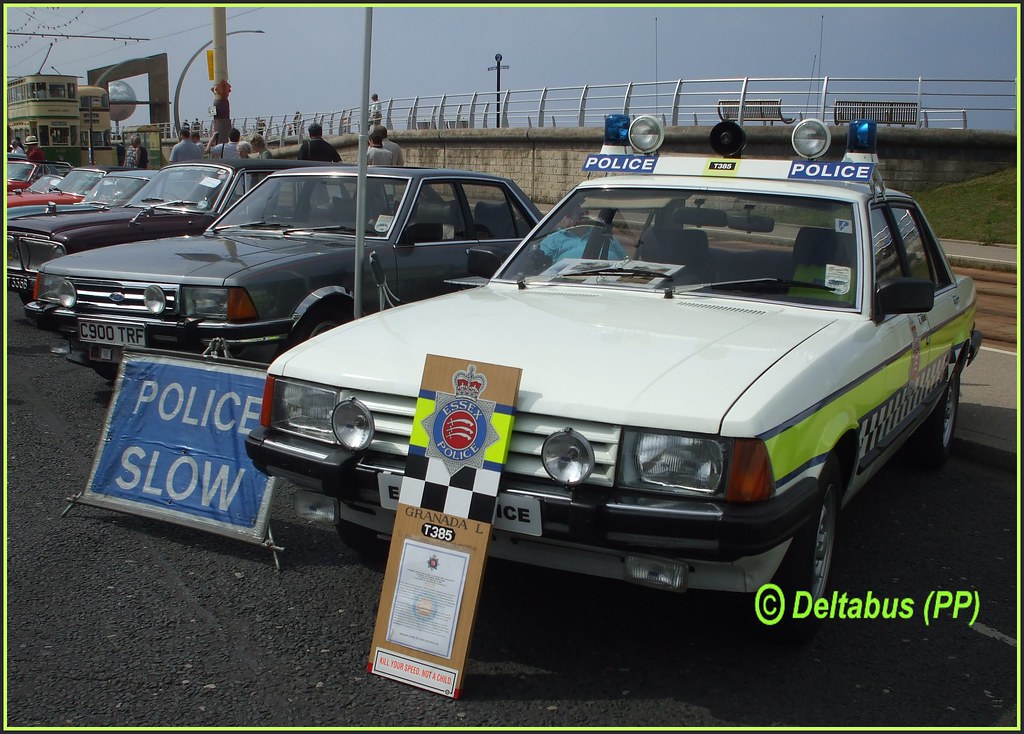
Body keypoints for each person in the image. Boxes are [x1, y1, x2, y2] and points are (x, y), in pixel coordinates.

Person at [538, 203, 627, 263]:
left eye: (569, 214)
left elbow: (625, 260)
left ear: (582, 216)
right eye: (563, 215)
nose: (564, 218)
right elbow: (541, 267)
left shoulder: (601, 233)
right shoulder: (552, 239)